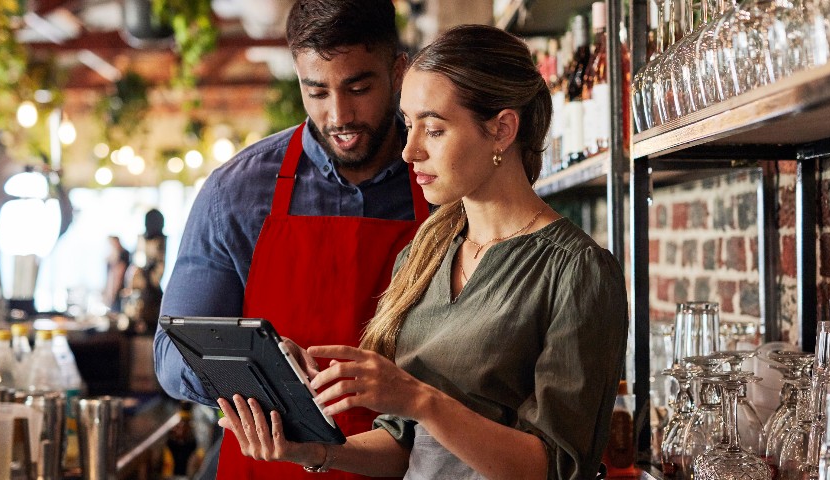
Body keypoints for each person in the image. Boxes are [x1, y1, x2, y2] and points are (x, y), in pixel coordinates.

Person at [215, 24, 629, 480]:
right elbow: (406, 446)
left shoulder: (577, 271)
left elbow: (558, 468)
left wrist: (420, 399)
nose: (409, 152)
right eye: (409, 126)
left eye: (433, 129)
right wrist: (313, 448)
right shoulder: (423, 254)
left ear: (502, 129)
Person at [155, 0, 428, 478]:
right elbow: (172, 354)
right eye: (316, 91)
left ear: (397, 71)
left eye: (359, 88)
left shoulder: (442, 180)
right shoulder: (236, 192)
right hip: (271, 464)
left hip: (410, 465)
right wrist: (261, 370)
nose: (339, 115)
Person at [103, 235, 130, 312]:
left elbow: (119, 275)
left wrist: (112, 294)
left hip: (119, 291)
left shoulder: (123, 255)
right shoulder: (112, 256)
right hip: (113, 291)